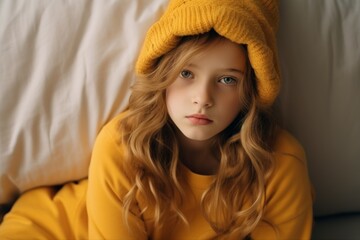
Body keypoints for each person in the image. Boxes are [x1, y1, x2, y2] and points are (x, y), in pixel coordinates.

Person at [0, 0, 313, 239]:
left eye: (227, 80)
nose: (202, 98)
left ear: (251, 90)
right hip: (51, 228)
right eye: (186, 74)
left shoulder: (279, 163)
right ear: (162, 76)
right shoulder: (122, 146)